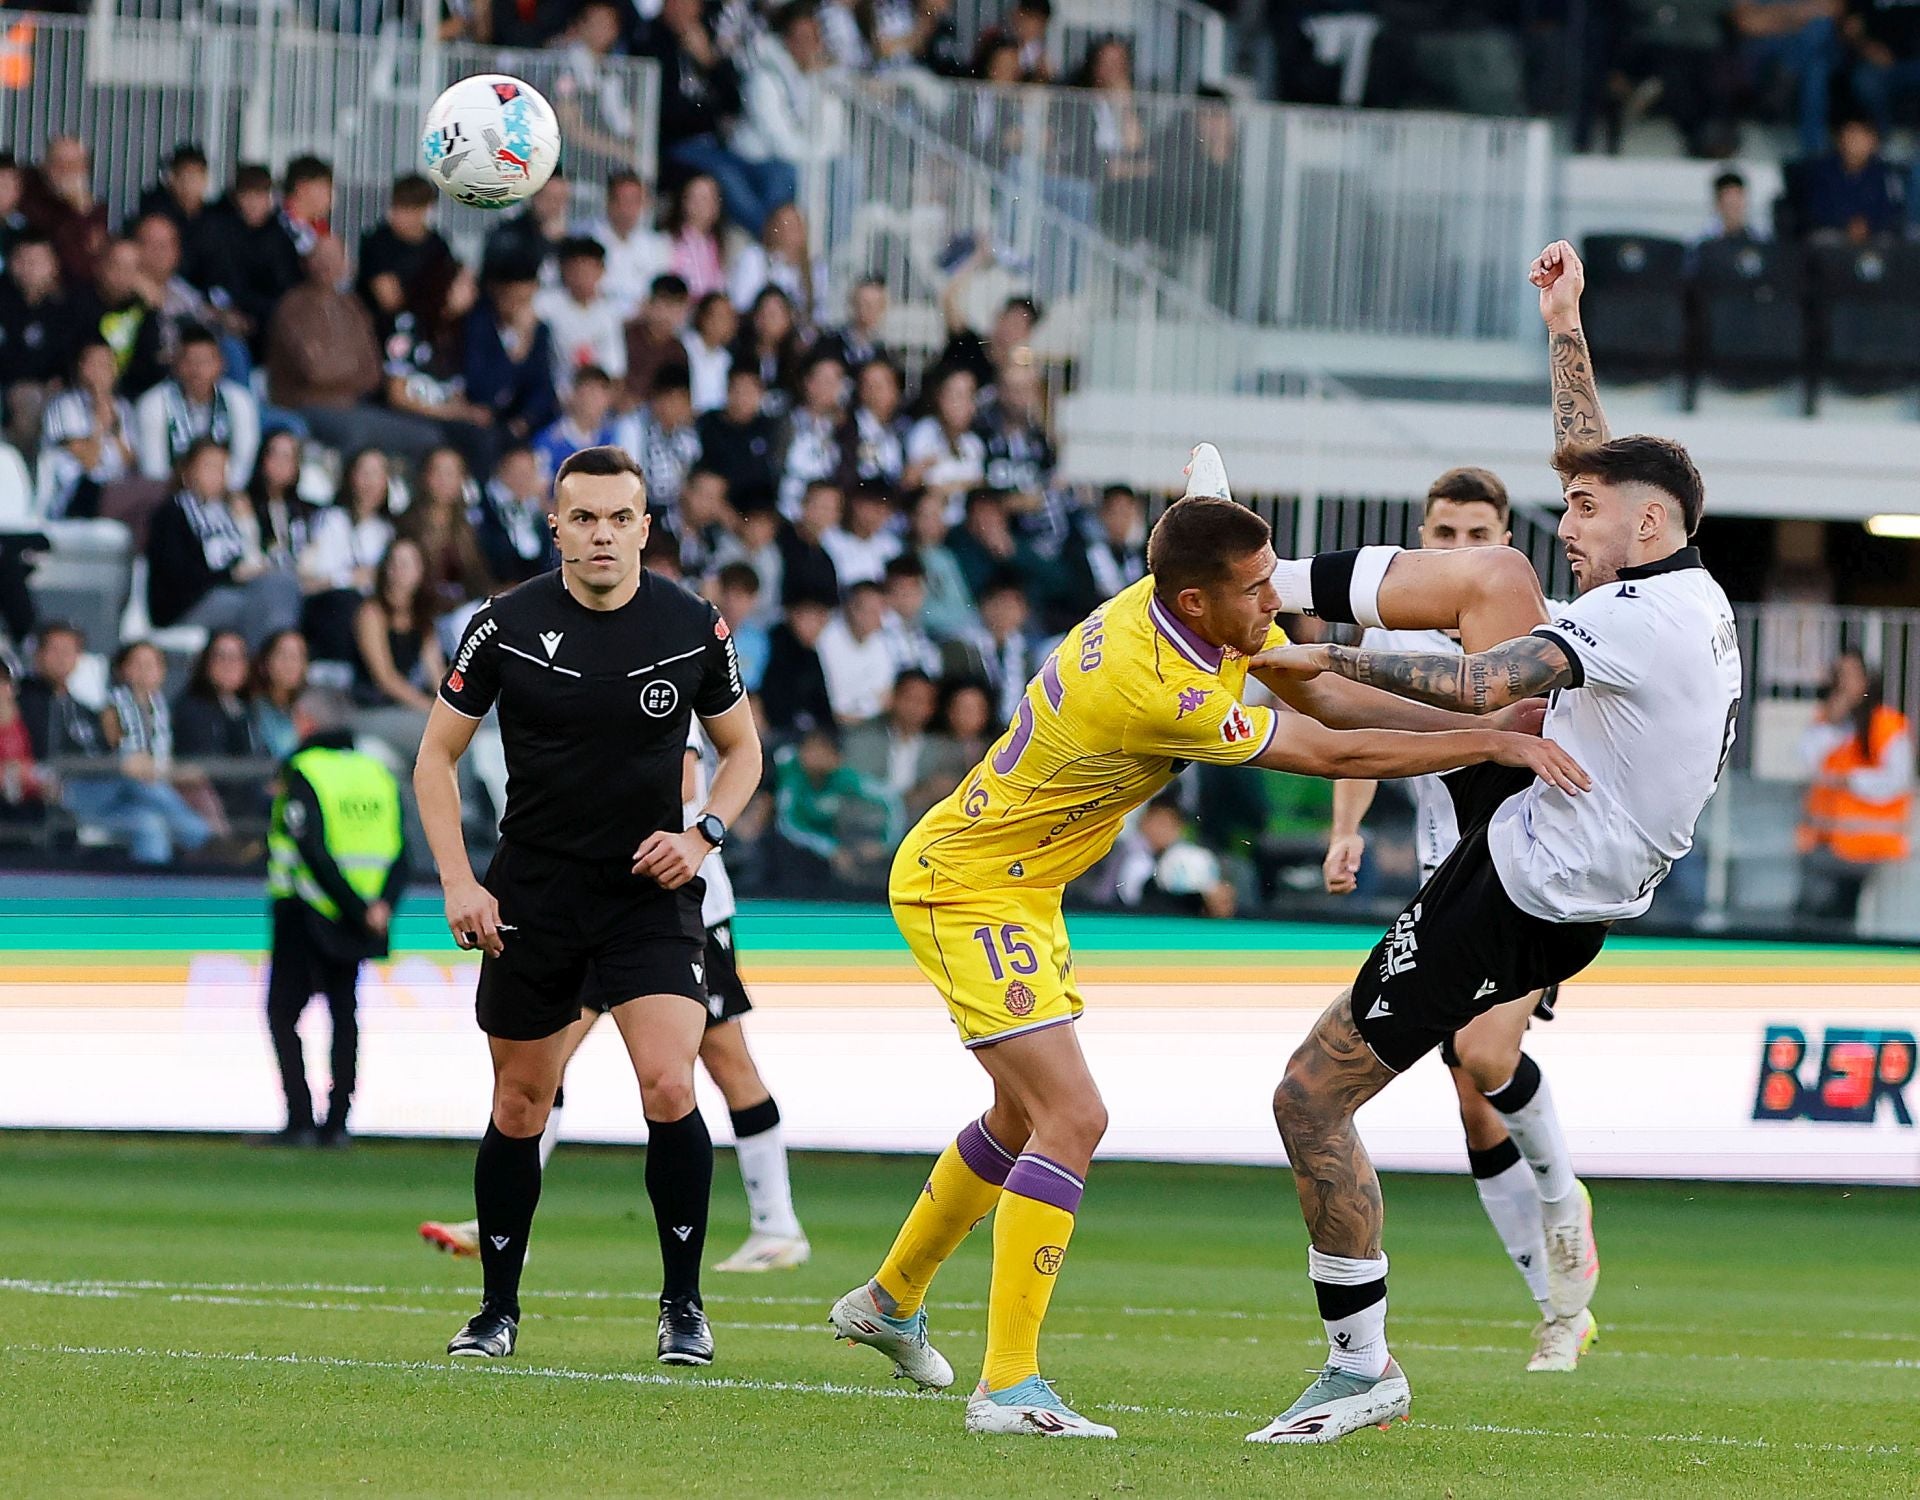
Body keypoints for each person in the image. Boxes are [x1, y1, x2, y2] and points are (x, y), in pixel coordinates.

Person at [828, 478, 1585, 1437]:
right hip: (966, 885)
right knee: (1073, 1116)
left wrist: (1479, 732)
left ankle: (889, 1301)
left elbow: (1320, 688)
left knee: (1022, 1116)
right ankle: (1007, 1386)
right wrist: (1485, 744)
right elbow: (1329, 751)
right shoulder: (1160, 690)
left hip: (1020, 884)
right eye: (1257, 587)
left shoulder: (1188, 614)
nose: (1276, 600)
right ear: (1197, 600)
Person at [1240, 240, 1740, 1444]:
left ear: (1650, 523)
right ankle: (1265, 596)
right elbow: (1593, 467)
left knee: (1310, 1099)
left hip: (1518, 889)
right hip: (1547, 852)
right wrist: (1566, 325)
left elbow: (1479, 685)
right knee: (1491, 578)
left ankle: (1362, 1368)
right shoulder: (1678, 587)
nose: (1571, 520)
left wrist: (1321, 649)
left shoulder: (1636, 623)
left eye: (1587, 513)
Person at [417, 445, 762, 1365]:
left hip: (648, 894)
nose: (601, 534)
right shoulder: (504, 624)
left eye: (618, 518)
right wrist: (459, 880)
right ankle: (496, 1311)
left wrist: (703, 835)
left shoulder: (692, 624)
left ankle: (683, 1306)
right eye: (583, 518)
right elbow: (434, 758)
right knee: (520, 1102)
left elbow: (743, 751)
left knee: (670, 1083)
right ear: (556, 527)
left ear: (644, 528)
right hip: (533, 894)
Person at [1319, 464, 1598, 1373]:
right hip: (1446, 882)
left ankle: (1563, 1204)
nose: (1460, 549)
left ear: (1505, 543)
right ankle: (1559, 1309)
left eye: (1478, 536)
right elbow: (1364, 737)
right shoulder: (1391, 633)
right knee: (1474, 1105)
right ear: (1423, 540)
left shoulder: (1545, 629)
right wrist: (1347, 831)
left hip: (1528, 874)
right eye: (1444, 535)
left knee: (1483, 1055)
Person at [420, 722, 810, 1272]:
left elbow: (682, 782)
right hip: (594, 905)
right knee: (542, 1061)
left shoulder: (662, 684)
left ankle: (778, 1226)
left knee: (725, 1064)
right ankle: (505, 1221)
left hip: (679, 912)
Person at [265, 687, 409, 1146]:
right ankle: (339, 1123)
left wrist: (352, 906)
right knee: (345, 1014)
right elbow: (402, 850)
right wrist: (378, 906)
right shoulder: (377, 772)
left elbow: (310, 849)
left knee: (283, 1013)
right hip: (363, 917)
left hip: (305, 909)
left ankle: (300, 1120)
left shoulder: (303, 769)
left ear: (305, 722)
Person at [19, 624, 213, 864]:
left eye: (70, 651)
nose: (62, 657)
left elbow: (105, 749)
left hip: (102, 788)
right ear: (38, 655)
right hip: (63, 791)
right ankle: (205, 840)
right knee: (132, 771)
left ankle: (151, 886)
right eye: (55, 650)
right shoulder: (24, 701)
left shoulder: (83, 708)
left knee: (148, 824)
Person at [268, 237, 440, 463]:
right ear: (306, 262)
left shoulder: (352, 305)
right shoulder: (293, 306)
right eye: (320, 257)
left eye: (335, 258)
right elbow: (315, 372)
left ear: (346, 264)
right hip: (305, 405)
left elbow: (373, 371)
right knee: (357, 436)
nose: (327, 264)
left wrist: (335, 364)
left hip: (356, 405)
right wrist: (351, 365)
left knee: (428, 436)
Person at [144, 439, 303, 648]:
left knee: (281, 583)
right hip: (187, 603)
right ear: (187, 472)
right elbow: (178, 574)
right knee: (254, 607)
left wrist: (246, 521)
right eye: (209, 467)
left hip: (232, 588)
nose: (217, 475)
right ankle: (261, 660)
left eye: (222, 468)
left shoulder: (229, 510)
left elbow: (257, 553)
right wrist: (230, 575)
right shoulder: (172, 513)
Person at [1796, 648, 1913, 926]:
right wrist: (1832, 722)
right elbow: (1807, 760)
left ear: (1866, 680)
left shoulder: (1887, 724)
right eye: (1839, 676)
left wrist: (1853, 780)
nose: (1844, 684)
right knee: (1813, 918)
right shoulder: (1830, 722)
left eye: (1850, 676)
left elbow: (1898, 779)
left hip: (1871, 846)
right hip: (1825, 844)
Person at [300, 448, 395, 668]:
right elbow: (308, 581)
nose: (370, 482)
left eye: (377, 474)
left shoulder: (387, 531)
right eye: (365, 473)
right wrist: (349, 578)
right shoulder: (330, 520)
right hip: (329, 606)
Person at [36, 338, 137, 519]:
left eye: (107, 364)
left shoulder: (123, 407)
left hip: (118, 490)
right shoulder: (63, 405)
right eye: (94, 364)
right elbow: (89, 461)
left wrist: (115, 430)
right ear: (81, 368)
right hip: (76, 495)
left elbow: (131, 464)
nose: (101, 371)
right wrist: (98, 424)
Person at [356, 174, 456, 345]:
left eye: (406, 209)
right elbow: (389, 300)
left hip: (428, 334)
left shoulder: (438, 245)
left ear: (425, 209)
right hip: (381, 333)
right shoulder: (377, 242)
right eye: (396, 207)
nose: (397, 215)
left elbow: (450, 294)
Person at [535, 237, 628, 395]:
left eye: (589, 270)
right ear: (564, 270)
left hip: (594, 395)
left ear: (601, 271)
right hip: (553, 390)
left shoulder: (609, 313)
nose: (582, 277)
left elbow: (615, 371)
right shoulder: (545, 305)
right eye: (576, 270)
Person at [588, 171, 672, 319]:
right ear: (609, 202)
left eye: (634, 202)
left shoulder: (655, 246)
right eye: (622, 201)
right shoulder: (588, 238)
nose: (627, 209)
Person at [622, 273, 694, 405]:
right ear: (649, 303)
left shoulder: (678, 352)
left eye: (676, 306)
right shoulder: (626, 336)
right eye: (664, 304)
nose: (668, 314)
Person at [663, 173, 730, 300]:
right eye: (694, 198)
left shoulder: (719, 245)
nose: (699, 205)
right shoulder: (668, 241)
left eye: (706, 199)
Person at [252, 628, 310, 762]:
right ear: (265, 664)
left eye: (298, 656)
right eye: (283, 655)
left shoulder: (312, 712)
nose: (291, 664)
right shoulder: (252, 711)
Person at [682, 291, 737, 414]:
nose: (726, 323)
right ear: (703, 317)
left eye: (729, 317)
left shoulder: (726, 359)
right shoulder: (684, 347)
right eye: (720, 316)